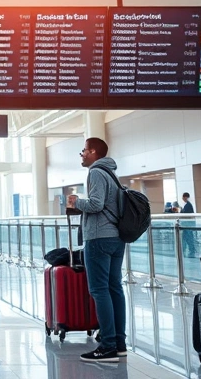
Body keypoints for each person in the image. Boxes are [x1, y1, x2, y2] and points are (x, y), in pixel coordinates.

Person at [67, 137, 126, 363]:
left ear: (92, 152)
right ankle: (119, 343)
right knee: (114, 289)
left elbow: (96, 204)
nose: (81, 155)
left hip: (99, 238)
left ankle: (108, 346)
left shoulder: (96, 172)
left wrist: (76, 203)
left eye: (83, 151)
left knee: (100, 290)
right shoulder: (112, 173)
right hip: (115, 238)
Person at [181, 192, 197, 259]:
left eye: (183, 197)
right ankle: (186, 250)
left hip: (187, 225)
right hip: (186, 225)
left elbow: (186, 215)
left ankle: (191, 251)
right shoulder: (187, 205)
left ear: (185, 197)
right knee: (186, 238)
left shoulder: (188, 205)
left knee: (189, 238)